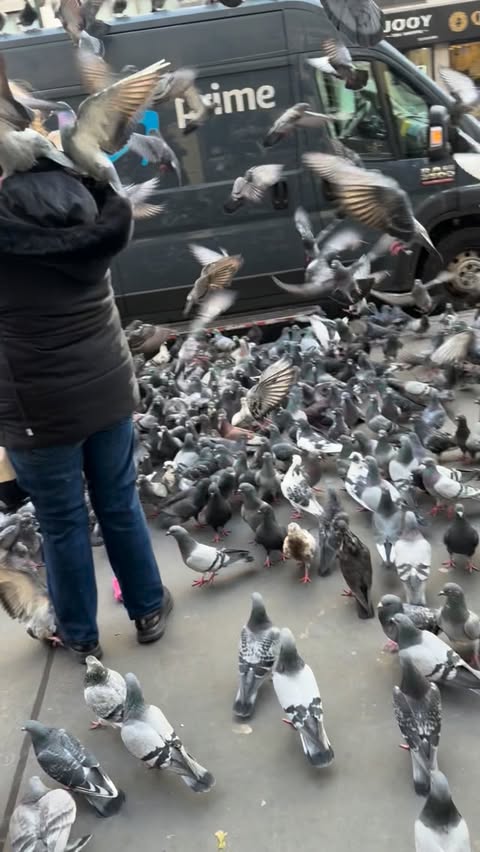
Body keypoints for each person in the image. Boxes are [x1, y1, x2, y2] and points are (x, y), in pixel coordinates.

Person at [0, 159, 172, 662]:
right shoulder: (92, 217)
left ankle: (80, 633)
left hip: (39, 409)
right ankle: (147, 609)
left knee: (62, 521)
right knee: (119, 501)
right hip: (108, 388)